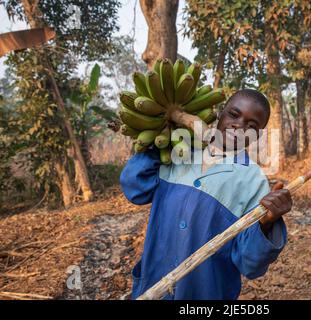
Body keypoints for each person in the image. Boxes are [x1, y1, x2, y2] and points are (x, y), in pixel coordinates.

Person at [120, 89, 293, 300]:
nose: (239, 126)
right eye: (234, 114)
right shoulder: (179, 151)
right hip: (152, 284)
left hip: (205, 293)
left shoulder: (253, 181)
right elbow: (135, 189)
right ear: (220, 113)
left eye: (252, 125)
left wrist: (266, 223)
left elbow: (250, 264)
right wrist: (159, 138)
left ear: (257, 135)